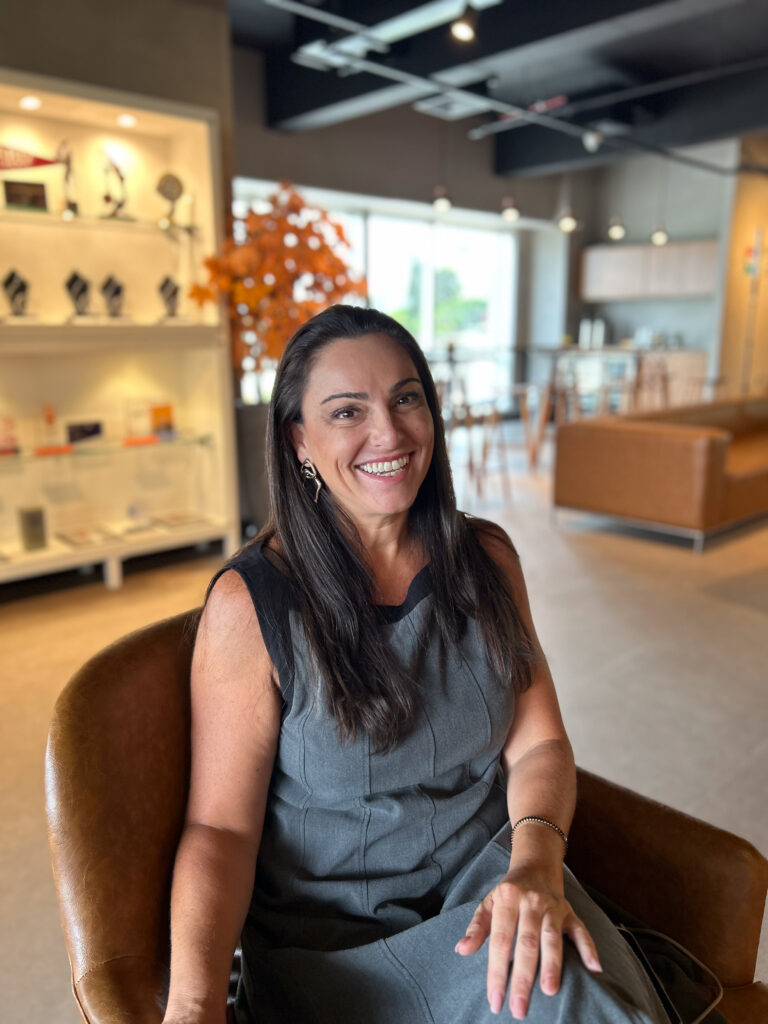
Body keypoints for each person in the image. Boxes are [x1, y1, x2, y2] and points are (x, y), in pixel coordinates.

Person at [162, 305, 668, 1024]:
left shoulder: (487, 560)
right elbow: (221, 832)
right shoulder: (253, 606)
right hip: (341, 949)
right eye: (348, 412)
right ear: (298, 440)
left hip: (492, 889)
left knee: (562, 987)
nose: (390, 433)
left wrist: (534, 864)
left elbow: (540, 744)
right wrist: (193, 1004)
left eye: (406, 399)